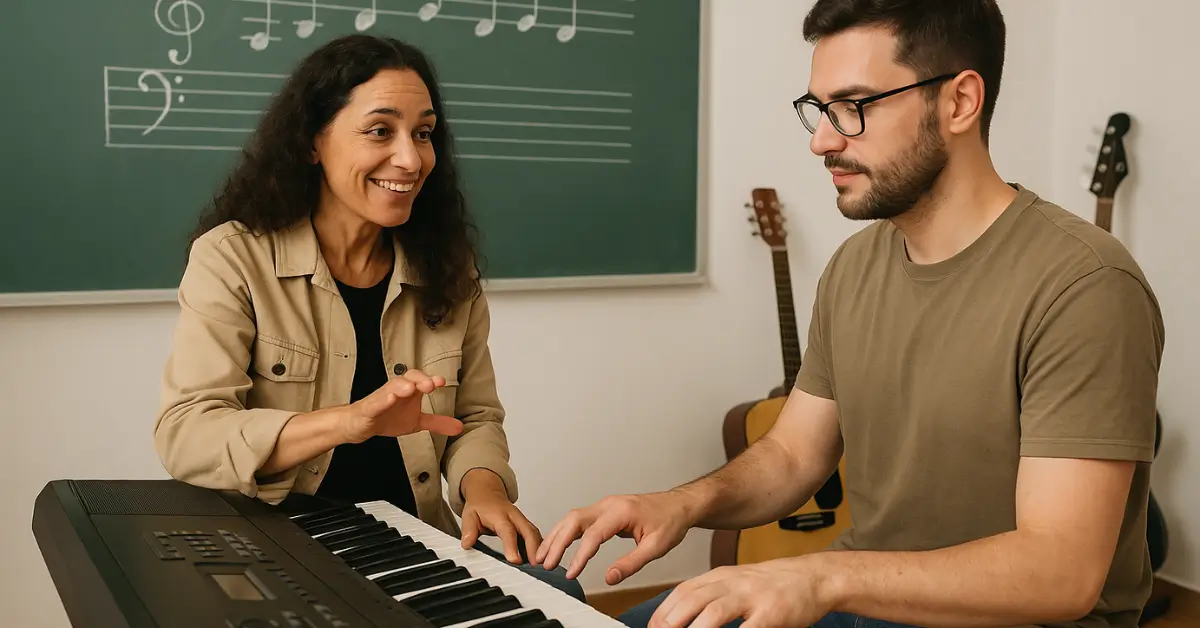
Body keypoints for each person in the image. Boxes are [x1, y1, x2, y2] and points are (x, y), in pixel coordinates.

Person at [531, 1, 1165, 627]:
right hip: (866, 598)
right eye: (819, 109)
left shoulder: (1085, 285)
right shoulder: (856, 264)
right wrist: (680, 504)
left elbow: (1060, 573)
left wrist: (817, 577)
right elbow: (792, 455)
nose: (822, 140)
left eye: (854, 108)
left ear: (960, 102)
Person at [152, 34, 585, 602]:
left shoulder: (449, 269)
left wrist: (485, 492)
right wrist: (350, 422)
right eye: (380, 130)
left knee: (559, 594)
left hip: (413, 544)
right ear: (312, 141)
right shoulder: (233, 257)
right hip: (278, 552)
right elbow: (188, 432)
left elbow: (474, 418)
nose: (411, 159)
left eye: (424, 133)